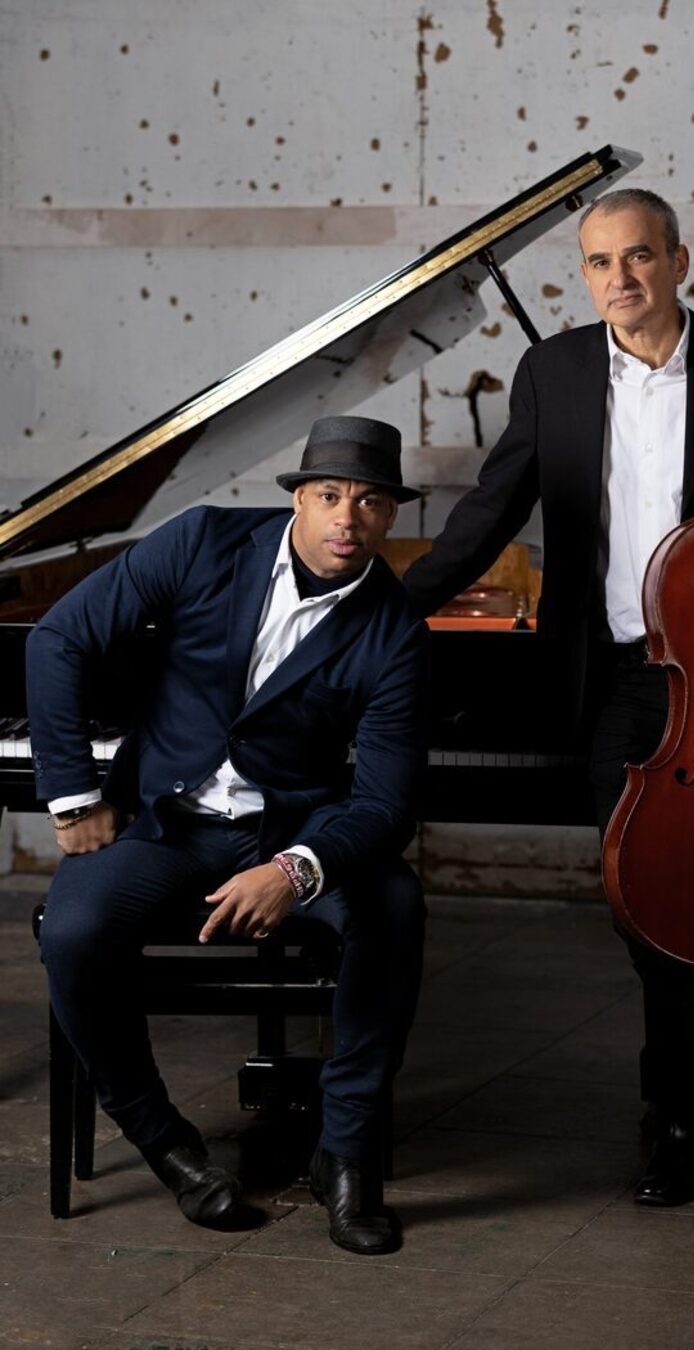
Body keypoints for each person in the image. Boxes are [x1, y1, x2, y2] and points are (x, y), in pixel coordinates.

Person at [404, 188, 694, 1209]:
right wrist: (381, 610)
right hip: (612, 681)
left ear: (679, 262)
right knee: (646, 903)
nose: (619, 278)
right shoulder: (552, 372)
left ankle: (676, 1131)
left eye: (638, 256)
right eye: (599, 262)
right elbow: (488, 512)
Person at [28, 415, 428, 1254]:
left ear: (391, 515)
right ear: (299, 498)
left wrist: (296, 869)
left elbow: (387, 803)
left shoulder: (396, 630)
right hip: (168, 822)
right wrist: (72, 798)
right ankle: (165, 1143)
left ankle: (346, 1156)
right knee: (73, 930)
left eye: (369, 501)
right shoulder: (202, 542)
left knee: (392, 906)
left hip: (295, 826)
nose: (347, 518)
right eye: (330, 495)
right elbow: (59, 637)